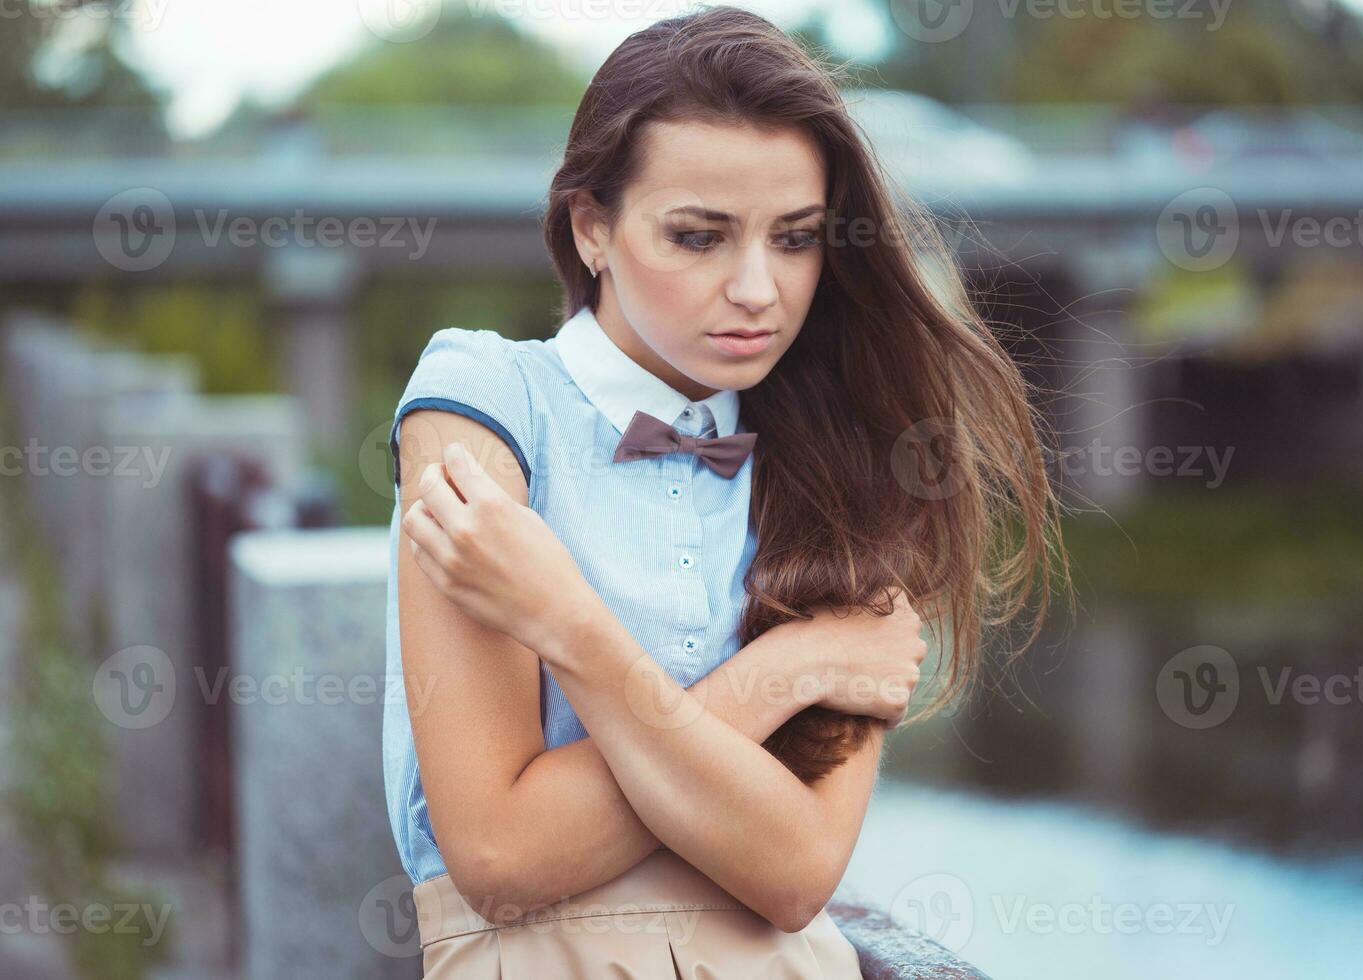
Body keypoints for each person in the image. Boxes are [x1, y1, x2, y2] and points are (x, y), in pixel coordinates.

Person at [382, 6, 1066, 977]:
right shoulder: (484, 397)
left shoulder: (845, 469)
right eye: (699, 237)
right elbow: (500, 855)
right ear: (591, 227)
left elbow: (792, 872)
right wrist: (785, 668)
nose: (757, 287)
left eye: (792, 238)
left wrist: (564, 627)